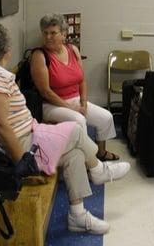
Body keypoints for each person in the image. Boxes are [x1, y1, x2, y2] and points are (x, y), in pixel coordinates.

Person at [0, 23, 130, 234]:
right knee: (75, 130)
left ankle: (77, 216)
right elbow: (0, 125)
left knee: (74, 154)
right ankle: (99, 170)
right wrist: (22, 162)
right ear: (4, 50)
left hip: (27, 136)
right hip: (16, 147)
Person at [30, 13, 120, 161]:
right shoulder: (39, 55)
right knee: (79, 120)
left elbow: (82, 80)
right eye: (45, 33)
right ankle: (88, 162)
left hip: (75, 100)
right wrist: (70, 107)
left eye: (53, 33)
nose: (48, 37)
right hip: (51, 105)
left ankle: (101, 153)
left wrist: (83, 103)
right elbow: (45, 91)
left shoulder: (73, 50)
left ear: (64, 34)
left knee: (106, 117)